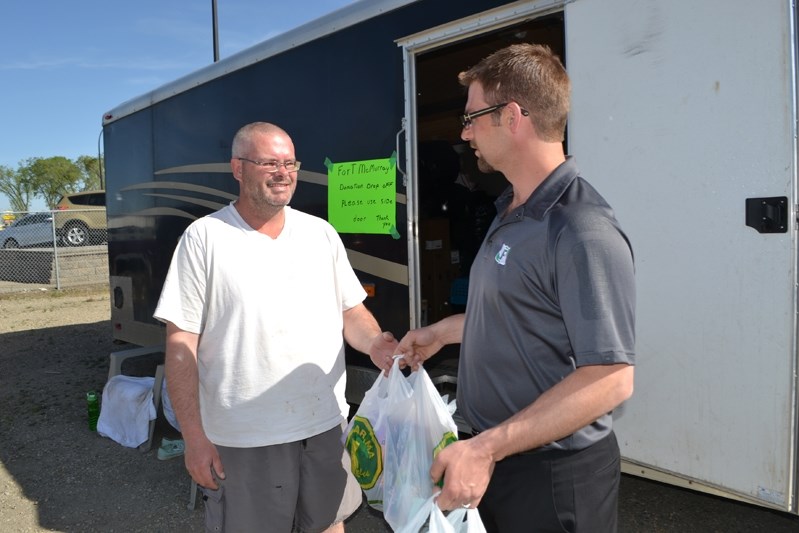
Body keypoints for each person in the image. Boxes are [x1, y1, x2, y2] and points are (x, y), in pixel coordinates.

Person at [396, 44, 636, 532]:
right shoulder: (510, 207)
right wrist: (443, 332)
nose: (464, 135)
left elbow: (610, 376)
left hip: (551, 475)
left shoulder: (578, 227)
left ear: (511, 117)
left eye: (471, 118)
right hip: (504, 455)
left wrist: (485, 448)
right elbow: (523, 313)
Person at [153, 122, 399, 533]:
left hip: (323, 422)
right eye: (269, 162)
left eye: (290, 163)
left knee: (329, 521)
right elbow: (181, 343)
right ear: (238, 168)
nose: (283, 173)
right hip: (245, 434)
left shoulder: (320, 233)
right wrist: (194, 438)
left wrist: (375, 343)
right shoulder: (204, 238)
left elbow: (350, 312)